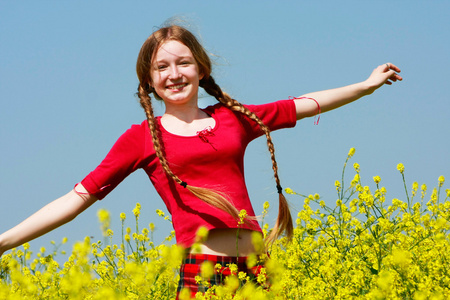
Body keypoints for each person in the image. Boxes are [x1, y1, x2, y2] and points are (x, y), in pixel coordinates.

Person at [0, 24, 402, 297]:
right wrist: (4, 242)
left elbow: (301, 104)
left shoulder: (233, 119)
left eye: (183, 63)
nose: (174, 74)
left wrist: (365, 87)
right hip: (202, 275)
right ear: (149, 81)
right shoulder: (141, 138)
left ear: (201, 69)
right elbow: (76, 198)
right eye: (161, 67)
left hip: (257, 269)